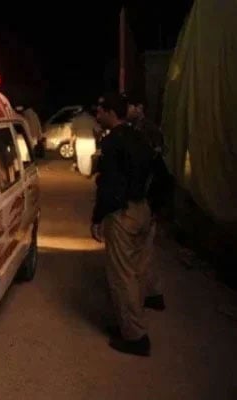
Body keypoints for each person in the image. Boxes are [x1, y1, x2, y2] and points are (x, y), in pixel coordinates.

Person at [91, 92, 156, 356]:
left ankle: (135, 337)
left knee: (122, 276)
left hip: (123, 213)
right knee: (138, 272)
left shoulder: (113, 143)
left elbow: (109, 186)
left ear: (110, 113)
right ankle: (131, 324)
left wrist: (98, 218)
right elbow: (157, 171)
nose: (97, 115)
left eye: (100, 111)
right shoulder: (139, 137)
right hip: (143, 209)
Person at [126, 94, 169, 311]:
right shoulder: (138, 129)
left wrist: (152, 204)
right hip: (148, 199)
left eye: (130, 106)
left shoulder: (147, 132)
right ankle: (153, 294)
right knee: (145, 253)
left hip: (148, 199)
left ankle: (141, 300)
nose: (127, 110)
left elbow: (154, 171)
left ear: (140, 107)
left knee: (140, 256)